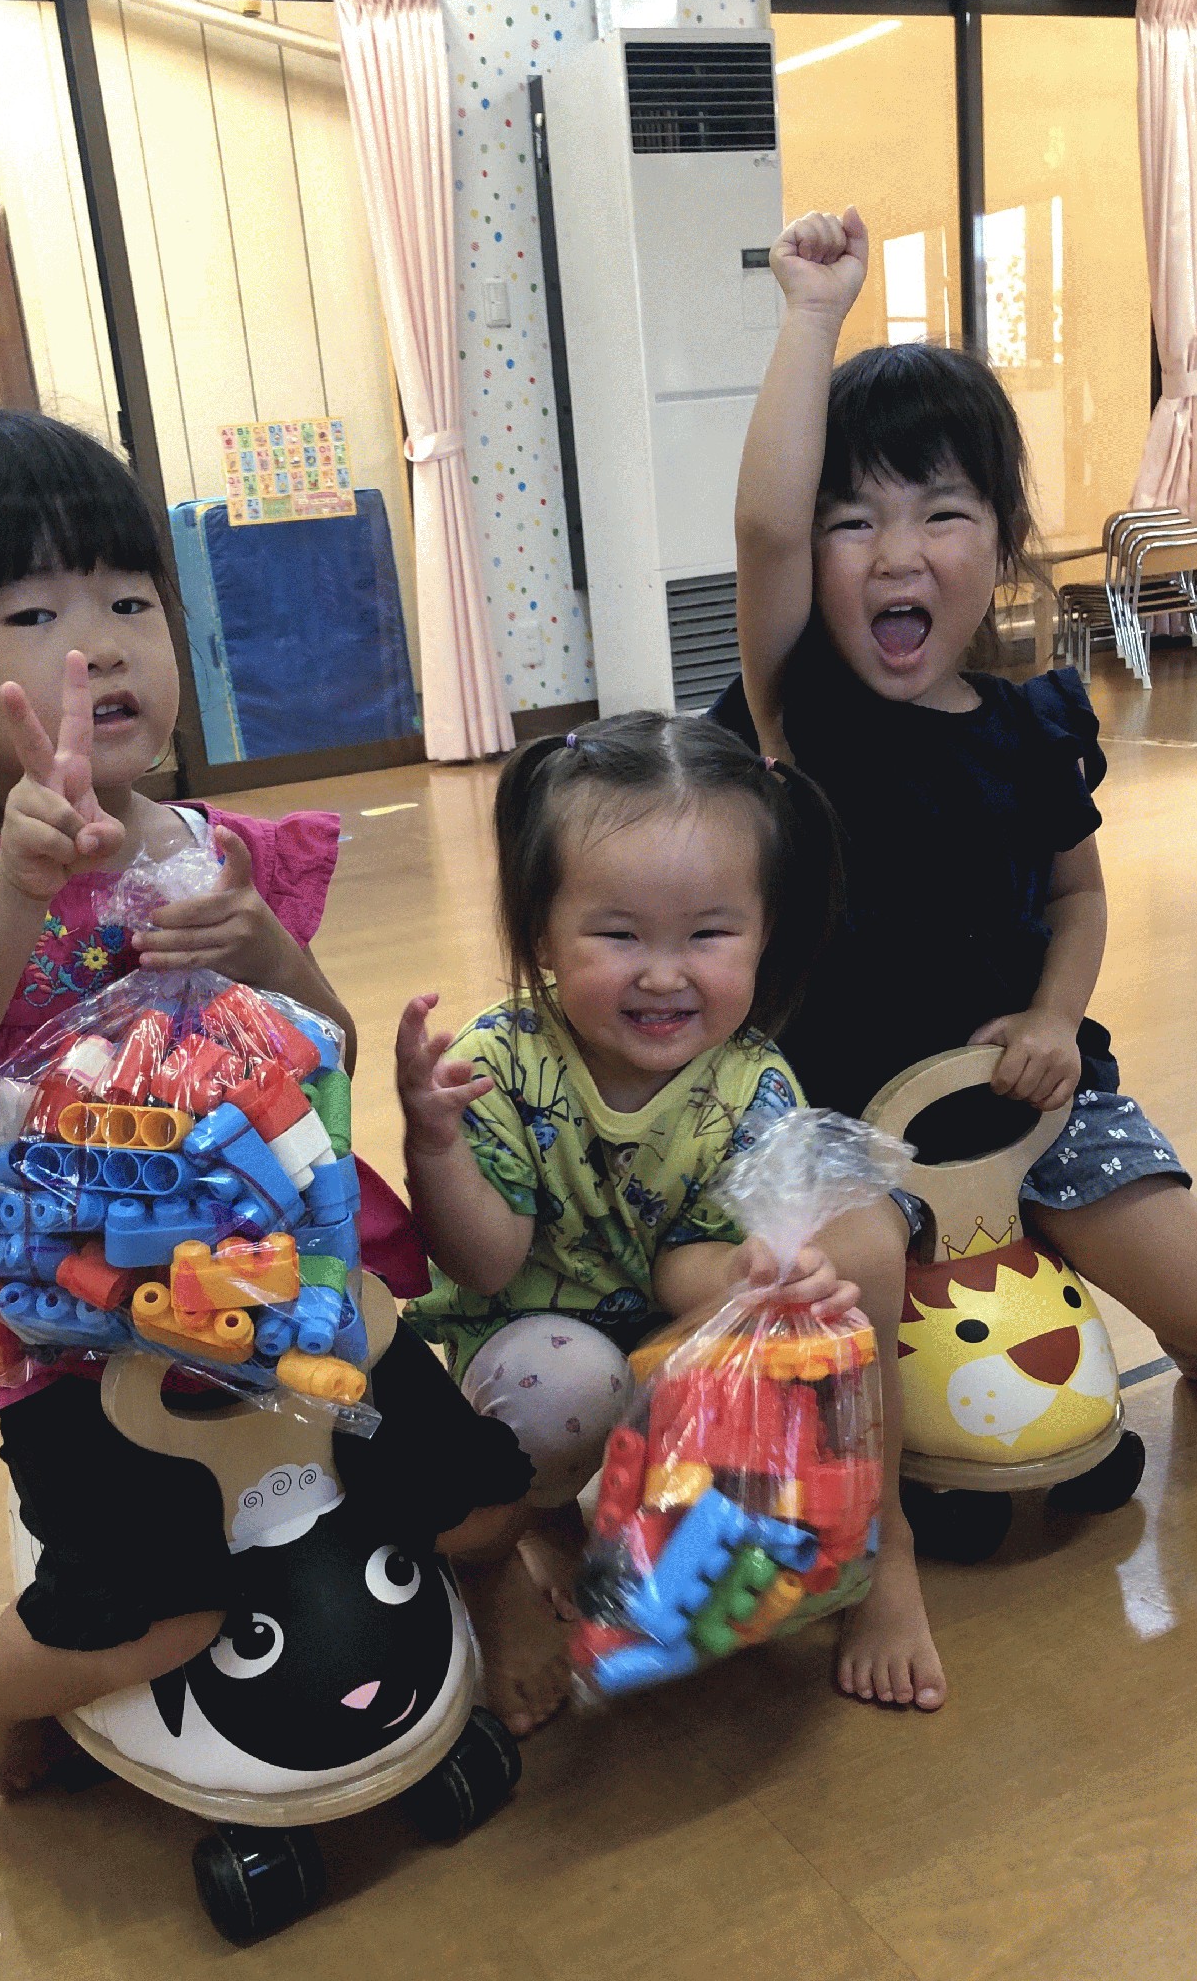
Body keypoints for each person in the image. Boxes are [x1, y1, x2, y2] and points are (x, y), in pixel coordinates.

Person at [0, 408, 527, 1796]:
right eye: (35, 612)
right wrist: (13, 887)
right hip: (60, 1313)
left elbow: (320, 1051)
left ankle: (503, 1595)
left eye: (129, 599)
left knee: (474, 1496)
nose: (98, 645)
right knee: (156, 1608)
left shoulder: (213, 850)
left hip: (269, 1270)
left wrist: (263, 947)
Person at [718, 206, 1197, 1714]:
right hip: (846, 1125)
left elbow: (1076, 895)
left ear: (998, 540)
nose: (894, 554)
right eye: (854, 522)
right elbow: (762, 531)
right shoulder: (800, 714)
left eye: (940, 513)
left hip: (1026, 1104)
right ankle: (878, 1553)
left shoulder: (1035, 721)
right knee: (849, 1310)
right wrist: (810, 316)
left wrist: (1054, 1016)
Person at [395, 710, 868, 1736]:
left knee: (786, 1360)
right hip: (529, 1356)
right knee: (567, 1383)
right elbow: (484, 1260)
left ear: (765, 931)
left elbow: (680, 1269)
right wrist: (432, 1144)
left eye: (708, 934)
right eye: (617, 935)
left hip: (660, 1349)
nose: (663, 973)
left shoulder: (752, 1082)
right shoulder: (500, 1061)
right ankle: (508, 1548)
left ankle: (636, 1540)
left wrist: (754, 1273)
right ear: (540, 934)